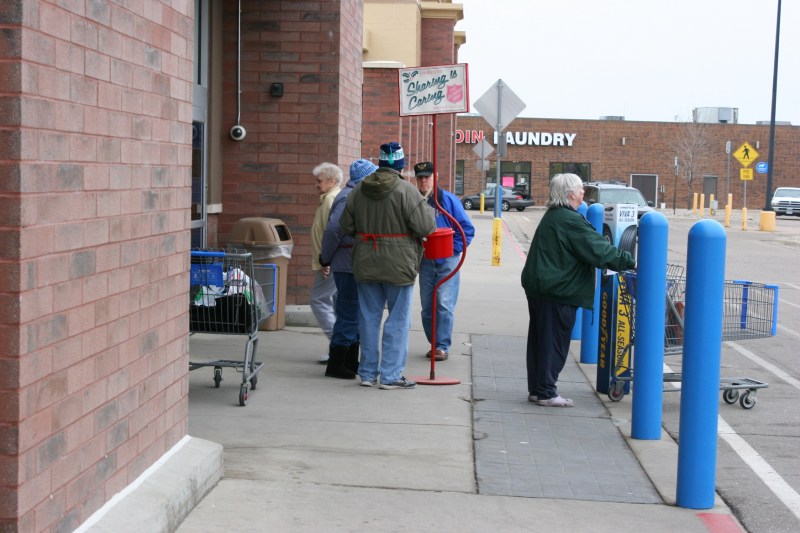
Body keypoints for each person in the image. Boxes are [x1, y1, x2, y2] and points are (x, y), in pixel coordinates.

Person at [521, 173, 635, 407]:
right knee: (554, 342)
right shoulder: (569, 220)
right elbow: (598, 250)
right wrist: (630, 261)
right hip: (557, 291)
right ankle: (546, 392)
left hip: (541, 287)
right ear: (569, 194)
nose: (584, 192)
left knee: (540, 341)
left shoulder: (554, 216)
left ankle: (538, 388)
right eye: (580, 189)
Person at [339, 142, 436, 390]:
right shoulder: (408, 191)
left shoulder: (358, 190)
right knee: (398, 320)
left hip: (365, 261)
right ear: (401, 165)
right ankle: (391, 375)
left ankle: (368, 373)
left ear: (380, 163)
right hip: (399, 264)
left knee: (368, 318)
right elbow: (426, 227)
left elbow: (346, 227)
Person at [319, 159, 379, 379]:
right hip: (348, 263)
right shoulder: (348, 197)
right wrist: (325, 258)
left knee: (353, 313)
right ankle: (337, 364)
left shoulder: (352, 195)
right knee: (349, 313)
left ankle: (350, 361)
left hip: (350, 262)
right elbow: (334, 230)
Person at [413, 161, 475, 361]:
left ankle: (441, 346)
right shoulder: (413, 201)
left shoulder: (447, 200)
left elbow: (466, 229)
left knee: (443, 302)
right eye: (420, 177)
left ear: (435, 177)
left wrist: (452, 249)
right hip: (425, 260)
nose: (424, 181)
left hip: (447, 260)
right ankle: (434, 342)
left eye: (427, 177)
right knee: (427, 307)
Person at [310, 162, 343, 363]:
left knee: (318, 299)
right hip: (330, 260)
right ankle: (339, 345)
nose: (316, 184)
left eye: (319, 180)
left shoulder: (331, 200)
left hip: (329, 262)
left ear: (331, 181)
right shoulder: (329, 199)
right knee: (335, 302)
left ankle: (337, 343)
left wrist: (327, 260)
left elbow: (333, 233)